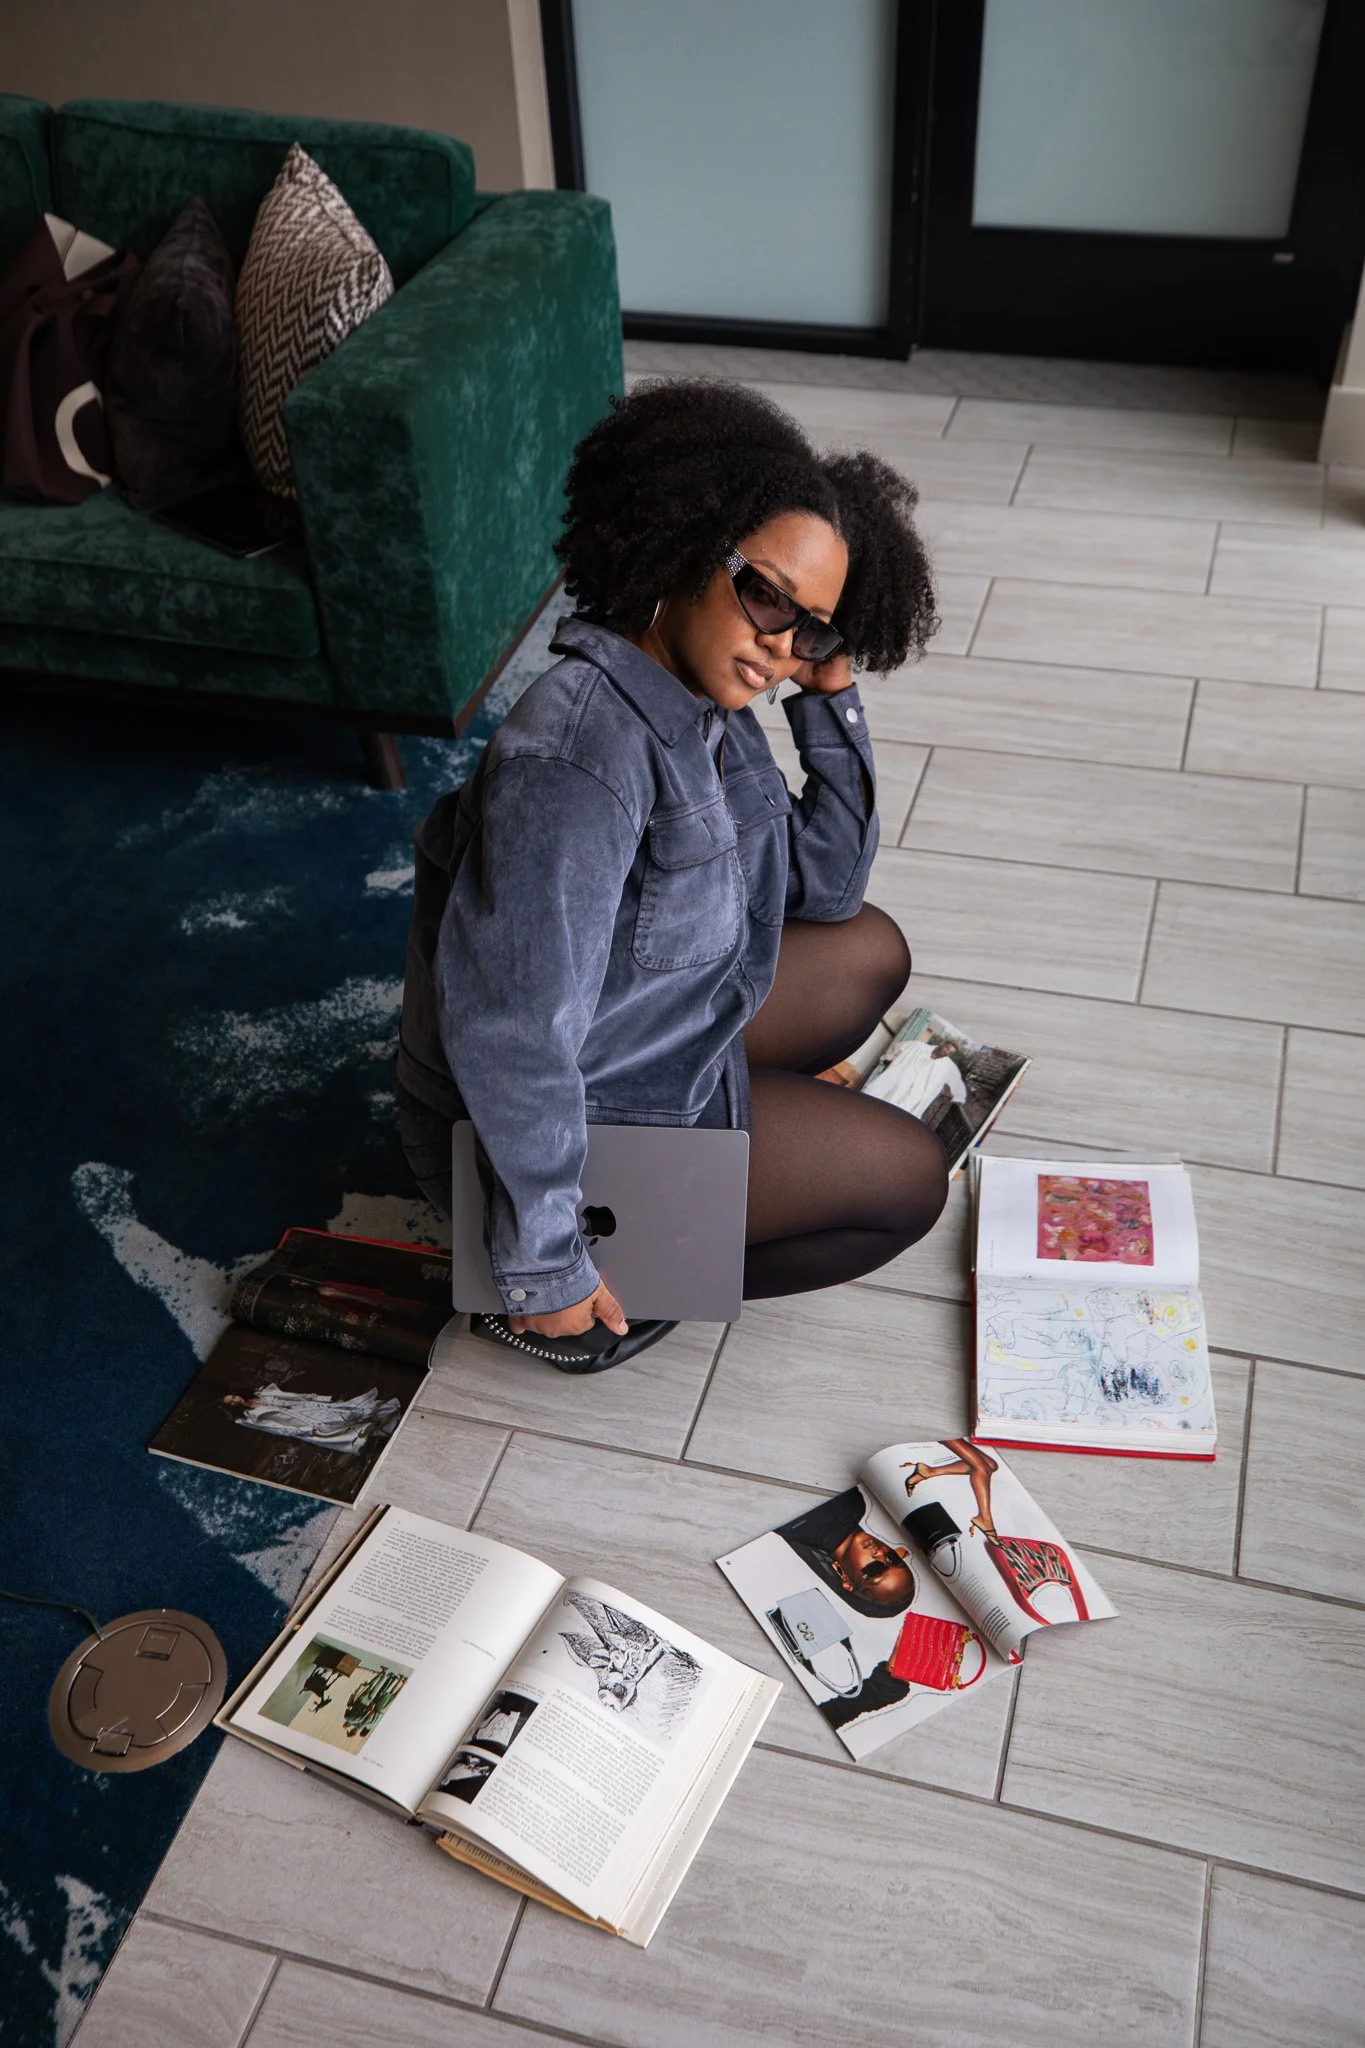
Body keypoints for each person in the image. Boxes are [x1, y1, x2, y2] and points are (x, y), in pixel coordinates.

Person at [398, 379, 947, 1369]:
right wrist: (545, 1265)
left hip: (638, 1035)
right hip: (548, 1131)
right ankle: (603, 1284)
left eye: (814, 628)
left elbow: (824, 887)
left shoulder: (701, 698)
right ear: (689, 547)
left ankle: (707, 1164)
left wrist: (824, 695)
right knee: (907, 1181)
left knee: (869, 950)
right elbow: (512, 1031)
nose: (781, 644)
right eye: (766, 596)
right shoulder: (576, 757)